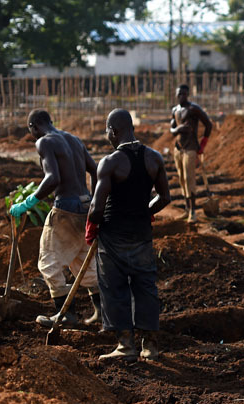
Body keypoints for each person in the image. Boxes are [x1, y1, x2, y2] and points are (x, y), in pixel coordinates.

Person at [86, 109, 171, 361]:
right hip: (142, 235)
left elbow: (97, 207)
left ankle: (125, 346)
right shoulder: (154, 158)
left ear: (114, 130)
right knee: (145, 286)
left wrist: (91, 227)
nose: (107, 136)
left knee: (114, 287)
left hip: (113, 238)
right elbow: (165, 197)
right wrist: (145, 212)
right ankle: (150, 346)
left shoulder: (110, 162)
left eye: (106, 131)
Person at [10, 109, 102, 327]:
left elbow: (53, 178)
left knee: (49, 261)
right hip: (85, 206)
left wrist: (28, 202)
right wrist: (95, 200)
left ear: (33, 127)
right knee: (83, 260)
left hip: (65, 210)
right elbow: (96, 170)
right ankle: (103, 312)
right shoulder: (74, 139)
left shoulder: (44, 142)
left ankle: (65, 314)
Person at [170, 83, 212, 223]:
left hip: (190, 148)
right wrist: (178, 129)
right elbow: (172, 129)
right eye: (179, 94)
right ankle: (187, 209)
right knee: (182, 179)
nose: (181, 96)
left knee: (189, 179)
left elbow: (208, 124)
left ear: (188, 94)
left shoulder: (193, 109)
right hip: (178, 148)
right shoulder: (175, 110)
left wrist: (203, 144)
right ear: (176, 95)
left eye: (184, 93)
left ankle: (193, 212)